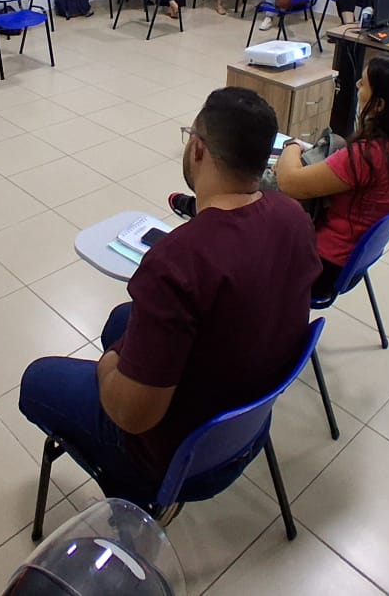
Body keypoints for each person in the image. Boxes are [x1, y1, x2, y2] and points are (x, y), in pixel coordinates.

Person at [19, 87, 322, 505]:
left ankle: (136, 495)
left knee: (37, 380)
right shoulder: (292, 216)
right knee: (120, 321)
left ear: (198, 149)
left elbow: (133, 414)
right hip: (251, 423)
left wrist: (110, 366)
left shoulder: (177, 260)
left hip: (178, 458)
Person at [273, 56, 389, 297]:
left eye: (363, 84)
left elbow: (289, 182)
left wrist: (291, 144)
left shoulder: (369, 156)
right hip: (351, 264)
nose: (357, 86)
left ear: (380, 104)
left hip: (321, 267)